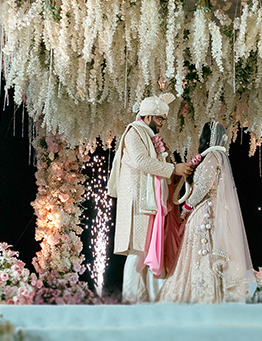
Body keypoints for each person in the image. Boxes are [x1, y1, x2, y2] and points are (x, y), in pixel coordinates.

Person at [107, 93, 194, 303]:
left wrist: (174, 172)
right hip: (138, 203)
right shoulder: (134, 132)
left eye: (164, 119)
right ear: (147, 116)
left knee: (148, 256)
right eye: (160, 119)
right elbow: (140, 161)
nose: (162, 123)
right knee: (138, 255)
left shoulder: (149, 135)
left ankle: (144, 305)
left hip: (151, 204)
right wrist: (173, 168)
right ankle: (130, 304)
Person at [157, 122, 254, 303]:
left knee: (203, 253)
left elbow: (203, 187)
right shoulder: (219, 156)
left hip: (206, 213)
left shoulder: (212, 156)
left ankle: (203, 296)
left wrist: (187, 208)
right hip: (213, 211)